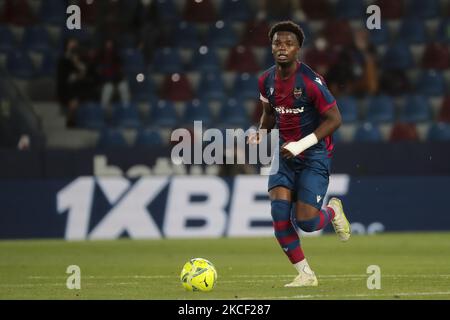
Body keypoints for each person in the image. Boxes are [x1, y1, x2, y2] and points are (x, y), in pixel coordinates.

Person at [248, 21, 351, 287]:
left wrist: (301, 145)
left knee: (306, 222)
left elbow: (335, 119)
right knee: (279, 213)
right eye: (277, 43)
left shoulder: (311, 82)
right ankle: (306, 274)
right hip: (283, 156)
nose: (282, 47)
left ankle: (332, 211)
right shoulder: (265, 80)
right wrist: (260, 132)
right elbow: (269, 114)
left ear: (298, 49)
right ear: (271, 48)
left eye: (288, 44)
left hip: (314, 155)